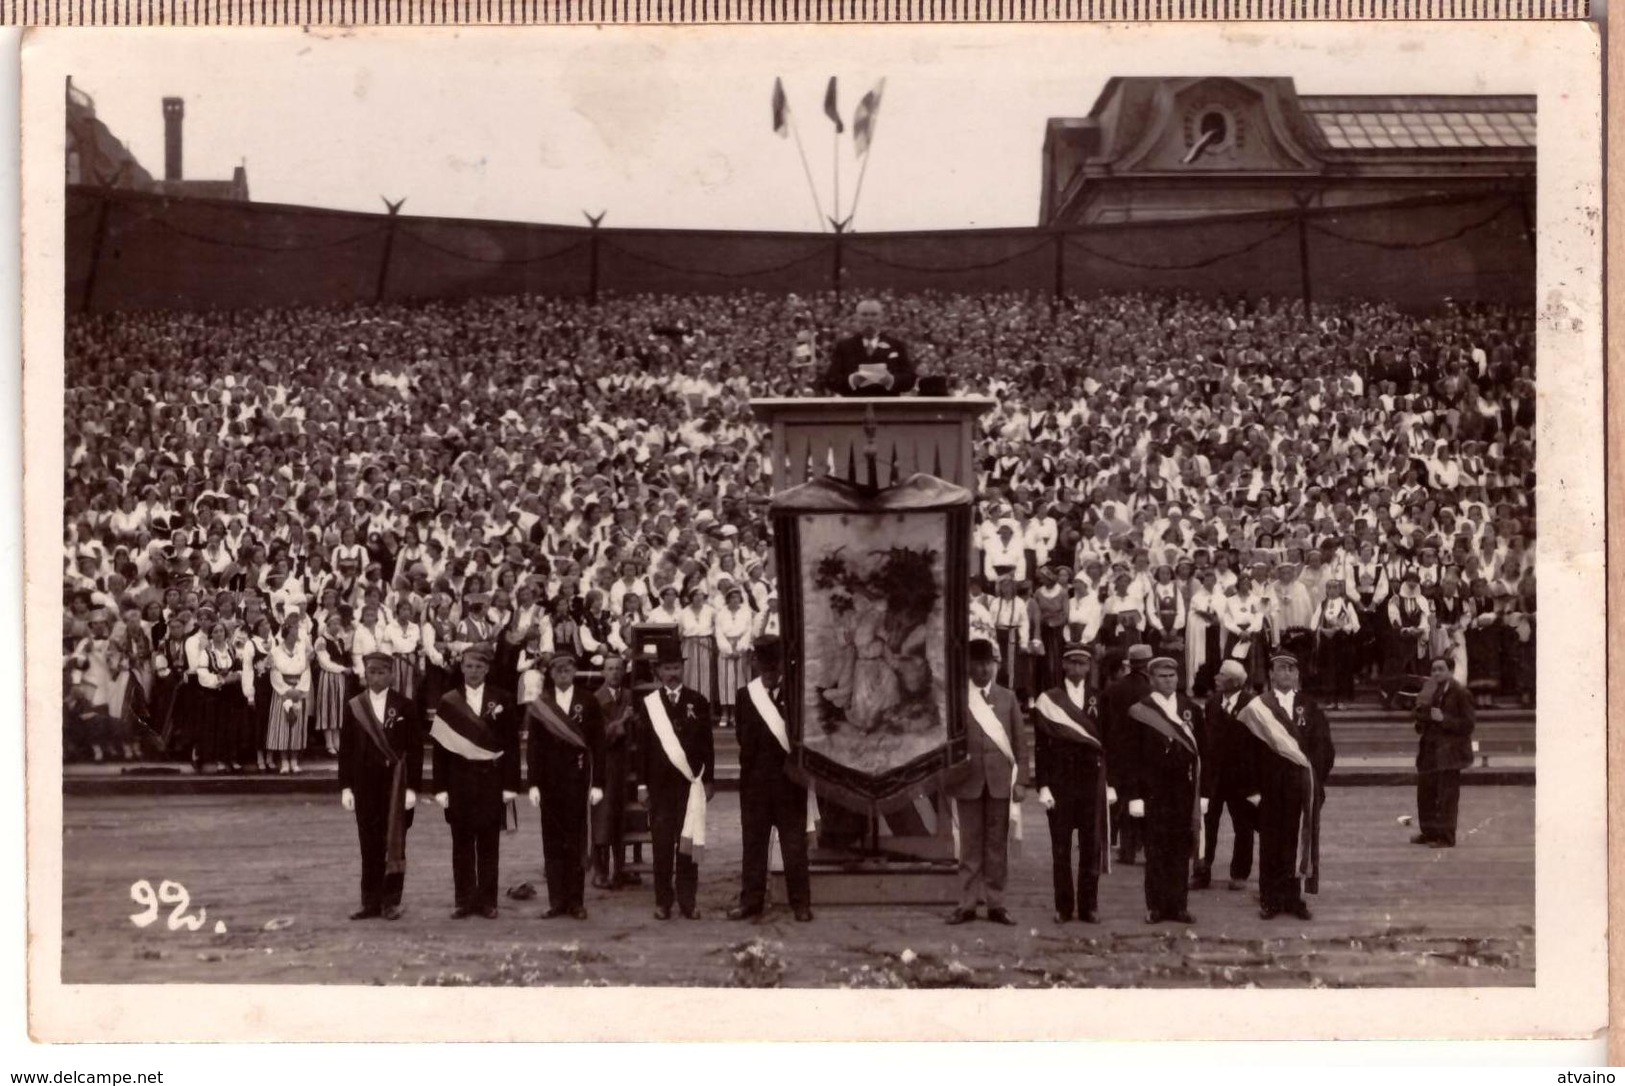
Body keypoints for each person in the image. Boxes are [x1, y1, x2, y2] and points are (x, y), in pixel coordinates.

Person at [1235, 653, 1336, 920]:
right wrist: (1252, 789)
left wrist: (1315, 778)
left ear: (1298, 674)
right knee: (1270, 842)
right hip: (1268, 786)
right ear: (1270, 674)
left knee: (1293, 840)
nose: (1287, 674)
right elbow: (1245, 753)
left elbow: (1323, 746)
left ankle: (1292, 897)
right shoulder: (1258, 707)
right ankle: (1270, 898)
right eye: (1281, 669)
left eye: (1292, 669)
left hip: (1298, 786)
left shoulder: (1308, 706)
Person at [430, 643, 521, 919]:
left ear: (487, 669)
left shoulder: (502, 698)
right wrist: (440, 788)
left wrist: (510, 785)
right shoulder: (449, 700)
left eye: (479, 666)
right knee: (462, 843)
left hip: (490, 779)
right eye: (469, 666)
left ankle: (488, 901)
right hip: (459, 779)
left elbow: (511, 745)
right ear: (461, 667)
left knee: (488, 843)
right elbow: (440, 749)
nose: (473, 671)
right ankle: (464, 900)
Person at [728, 636, 813, 923]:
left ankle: (800, 903)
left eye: (774, 667)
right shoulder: (744, 696)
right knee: (753, 846)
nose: (770, 673)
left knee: (794, 847)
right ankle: (751, 901)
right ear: (757, 665)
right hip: (756, 783)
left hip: (790, 783)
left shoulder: (796, 694)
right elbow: (743, 738)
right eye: (765, 667)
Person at [945, 638, 1026, 926]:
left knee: (996, 847)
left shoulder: (1007, 698)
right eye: (977, 664)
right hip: (968, 782)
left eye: (987, 663)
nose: (982, 669)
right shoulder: (957, 698)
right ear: (968, 665)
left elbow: (1019, 741)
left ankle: (996, 903)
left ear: (994, 665)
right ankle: (966, 903)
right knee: (969, 847)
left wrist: (1021, 781)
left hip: (1000, 782)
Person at [339, 651, 423, 921]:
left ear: (392, 674)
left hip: (396, 784)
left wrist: (413, 788)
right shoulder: (354, 706)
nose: (376, 677)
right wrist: (346, 788)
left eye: (382, 672)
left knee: (395, 842)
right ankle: (369, 902)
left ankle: (391, 902)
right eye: (371, 672)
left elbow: (416, 750)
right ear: (365, 674)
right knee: (369, 844)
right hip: (365, 785)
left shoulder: (405, 706)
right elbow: (346, 750)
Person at [1031, 642, 1109, 924]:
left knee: (1091, 847)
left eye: (1082, 663)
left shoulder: (1099, 699)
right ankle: (1063, 907)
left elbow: (1106, 743)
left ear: (1089, 667)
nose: (1077, 668)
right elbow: (1041, 748)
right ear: (1063, 665)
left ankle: (1089, 906)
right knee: (1060, 849)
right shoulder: (1048, 699)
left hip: (1090, 783)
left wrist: (1108, 784)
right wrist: (1043, 786)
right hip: (1060, 783)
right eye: (1072, 663)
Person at [525, 650, 607, 920]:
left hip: (577, 779)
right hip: (549, 782)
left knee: (575, 840)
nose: (563, 674)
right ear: (550, 673)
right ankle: (556, 901)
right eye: (558, 670)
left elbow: (598, 745)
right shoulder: (541, 704)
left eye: (567, 670)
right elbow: (534, 748)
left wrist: (598, 783)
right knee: (552, 843)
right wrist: (533, 783)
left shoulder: (588, 701)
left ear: (574, 672)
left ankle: (576, 901)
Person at [638, 640, 715, 920]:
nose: (672, 673)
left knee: (687, 844)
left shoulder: (698, 701)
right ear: (658, 671)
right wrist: (642, 785)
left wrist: (710, 780)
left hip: (690, 786)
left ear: (682, 669)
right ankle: (663, 902)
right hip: (659, 786)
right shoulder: (649, 704)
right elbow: (643, 748)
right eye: (667, 668)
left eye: (676, 667)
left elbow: (708, 745)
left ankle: (687, 900)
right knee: (661, 846)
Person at [1125, 656, 1203, 924]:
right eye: (1161, 676)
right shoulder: (1140, 710)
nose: (1167, 680)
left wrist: (1202, 794)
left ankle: (1178, 906)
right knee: (1156, 850)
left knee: (1180, 849)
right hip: (1153, 791)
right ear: (1151, 679)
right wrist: (1134, 795)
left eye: (1171, 675)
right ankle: (1155, 906)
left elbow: (1203, 752)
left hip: (1183, 789)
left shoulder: (1191, 709)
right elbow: (1131, 756)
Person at [1191, 660, 1258, 892]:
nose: (1216, 678)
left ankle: (1239, 873)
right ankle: (1201, 871)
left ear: (1234, 681)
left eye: (1221, 675)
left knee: (1243, 826)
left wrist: (1255, 784)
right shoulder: (1212, 703)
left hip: (1241, 779)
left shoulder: (1252, 704)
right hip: (1214, 778)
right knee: (1207, 825)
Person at [1412, 655, 1475, 848]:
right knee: (1426, 793)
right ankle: (1429, 832)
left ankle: (1446, 837)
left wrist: (1444, 719)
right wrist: (1420, 716)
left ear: (1450, 671)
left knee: (1447, 796)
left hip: (1449, 753)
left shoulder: (1460, 693)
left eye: (1441, 669)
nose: (1436, 673)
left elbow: (1468, 724)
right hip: (1431, 750)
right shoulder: (1432, 690)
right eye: (1434, 670)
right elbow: (1427, 718)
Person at [592, 654, 641, 888]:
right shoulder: (595, 699)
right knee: (604, 816)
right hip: (606, 764)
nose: (614, 673)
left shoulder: (631, 696)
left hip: (628, 764)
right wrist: (622, 721)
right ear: (603, 672)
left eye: (618, 669)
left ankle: (623, 868)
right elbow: (599, 736)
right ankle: (600, 870)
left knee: (627, 817)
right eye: (610, 669)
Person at [1101, 643, 1153, 864]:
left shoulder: (1114, 689)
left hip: (1120, 752)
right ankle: (1148, 847)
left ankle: (1127, 849)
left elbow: (1103, 724)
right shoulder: (1152, 690)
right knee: (1147, 800)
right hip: (1147, 753)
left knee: (1125, 799)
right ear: (1148, 664)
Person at [821, 297, 916, 397]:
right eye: (864, 314)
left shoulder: (896, 345)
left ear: (882, 317)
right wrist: (852, 380)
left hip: (887, 407)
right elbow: (831, 379)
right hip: (854, 407)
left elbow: (910, 378)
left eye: (874, 314)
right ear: (856, 317)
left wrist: (891, 380)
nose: (869, 319)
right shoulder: (844, 346)